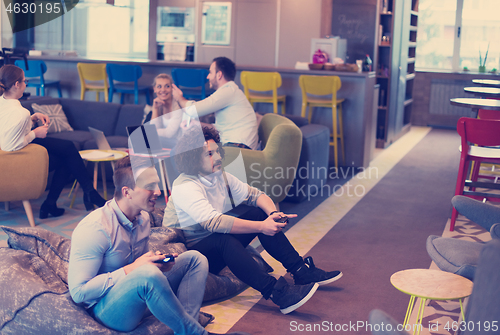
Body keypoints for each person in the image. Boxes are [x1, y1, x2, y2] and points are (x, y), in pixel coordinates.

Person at [163, 126, 343, 314]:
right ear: (192, 158)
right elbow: (214, 223)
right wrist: (262, 227)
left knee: (259, 213)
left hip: (217, 241)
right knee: (224, 239)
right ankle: (277, 293)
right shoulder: (185, 186)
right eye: (209, 154)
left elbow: (255, 195)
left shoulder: (220, 177)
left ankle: (300, 271)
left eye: (217, 151)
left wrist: (272, 214)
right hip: (192, 255)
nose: (217, 157)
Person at [0, 64, 105, 218]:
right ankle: (86, 194)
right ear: (16, 84)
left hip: (15, 153)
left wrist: (32, 119)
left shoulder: (4, 102)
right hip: (17, 159)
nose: (25, 84)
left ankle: (58, 202)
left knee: (68, 150)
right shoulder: (19, 112)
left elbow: (9, 129)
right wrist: (35, 133)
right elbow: (9, 145)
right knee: (68, 157)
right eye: (25, 81)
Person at [172, 57, 259, 150]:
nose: (207, 76)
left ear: (219, 75)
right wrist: (196, 124)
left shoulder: (228, 91)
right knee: (182, 150)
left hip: (239, 148)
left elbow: (192, 110)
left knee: (181, 152)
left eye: (210, 72)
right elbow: (220, 129)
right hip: (236, 145)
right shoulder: (230, 91)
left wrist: (179, 97)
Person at [144, 73, 183, 148]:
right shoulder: (158, 104)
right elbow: (154, 128)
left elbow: (169, 133)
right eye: (159, 86)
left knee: (148, 141)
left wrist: (153, 132)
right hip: (165, 144)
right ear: (154, 89)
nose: (163, 90)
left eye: (167, 86)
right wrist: (155, 108)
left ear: (172, 88)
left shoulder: (178, 105)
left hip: (179, 145)